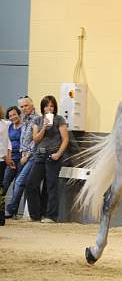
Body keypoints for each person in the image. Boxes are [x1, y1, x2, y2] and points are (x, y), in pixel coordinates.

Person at [26, 95, 68, 223]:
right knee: (31, 184)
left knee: (51, 186)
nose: (49, 108)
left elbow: (65, 139)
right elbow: (36, 139)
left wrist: (58, 153)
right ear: (43, 108)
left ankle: (51, 215)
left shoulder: (59, 119)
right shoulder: (38, 120)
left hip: (53, 156)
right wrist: (44, 127)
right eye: (46, 106)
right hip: (39, 155)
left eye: (51, 106)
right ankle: (35, 215)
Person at [5, 97, 38, 219]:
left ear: (32, 105)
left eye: (26, 106)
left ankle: (10, 210)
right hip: (21, 155)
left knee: (19, 182)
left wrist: (27, 155)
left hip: (32, 155)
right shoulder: (24, 119)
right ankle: (11, 210)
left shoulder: (36, 119)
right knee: (17, 182)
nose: (24, 108)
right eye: (22, 106)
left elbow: (36, 141)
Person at [3, 106, 24, 211]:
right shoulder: (8, 126)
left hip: (21, 158)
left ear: (19, 114)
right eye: (10, 116)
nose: (12, 117)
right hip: (11, 158)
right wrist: (8, 157)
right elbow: (6, 143)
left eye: (14, 114)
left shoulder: (24, 126)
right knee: (5, 182)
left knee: (18, 184)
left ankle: (11, 210)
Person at [0, 106, 12, 226]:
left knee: (1, 188)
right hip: (2, 159)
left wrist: (6, 156)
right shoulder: (4, 124)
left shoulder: (5, 124)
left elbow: (6, 142)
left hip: (2, 160)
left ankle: (1, 217)